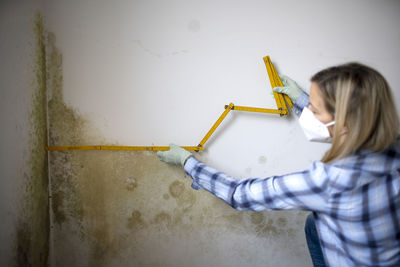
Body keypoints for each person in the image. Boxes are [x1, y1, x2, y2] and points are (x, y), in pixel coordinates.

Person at [157, 63, 400, 267]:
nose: (310, 113)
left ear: (344, 123)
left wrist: (187, 162)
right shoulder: (390, 141)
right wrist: (301, 100)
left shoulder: (329, 182)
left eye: (315, 110)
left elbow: (239, 194)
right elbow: (345, 129)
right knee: (313, 225)